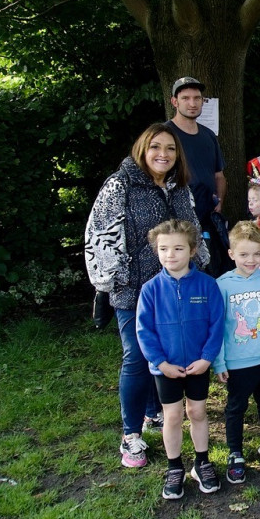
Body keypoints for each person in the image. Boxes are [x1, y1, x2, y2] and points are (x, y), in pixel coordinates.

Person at [85, 123, 208, 468]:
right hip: (134, 289)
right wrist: (117, 279)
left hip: (175, 289)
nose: (163, 154)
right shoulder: (120, 185)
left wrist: (199, 264)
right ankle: (131, 435)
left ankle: (154, 413)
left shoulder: (178, 186)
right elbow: (100, 236)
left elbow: (192, 229)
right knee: (138, 358)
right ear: (143, 149)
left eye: (170, 149)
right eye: (156, 147)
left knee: (165, 353)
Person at [135, 219, 224, 500]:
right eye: (163, 249)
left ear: (193, 250)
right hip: (166, 369)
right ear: (156, 251)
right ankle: (174, 467)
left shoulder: (208, 286)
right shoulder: (150, 290)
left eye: (177, 248)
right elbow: (143, 330)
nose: (170, 255)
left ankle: (202, 462)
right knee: (172, 416)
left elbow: (217, 324)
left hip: (198, 365)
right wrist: (160, 363)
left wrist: (207, 358)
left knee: (197, 412)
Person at [214, 221, 260, 484]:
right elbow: (218, 326)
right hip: (237, 362)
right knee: (236, 407)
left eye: (256, 253)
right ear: (232, 254)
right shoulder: (222, 285)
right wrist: (219, 362)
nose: (251, 260)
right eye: (244, 254)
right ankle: (235, 453)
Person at [166, 77, 227, 243]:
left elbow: (219, 175)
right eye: (185, 98)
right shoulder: (165, 134)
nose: (192, 103)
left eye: (197, 98)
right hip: (177, 220)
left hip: (208, 219)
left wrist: (219, 201)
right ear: (174, 102)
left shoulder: (208, 135)